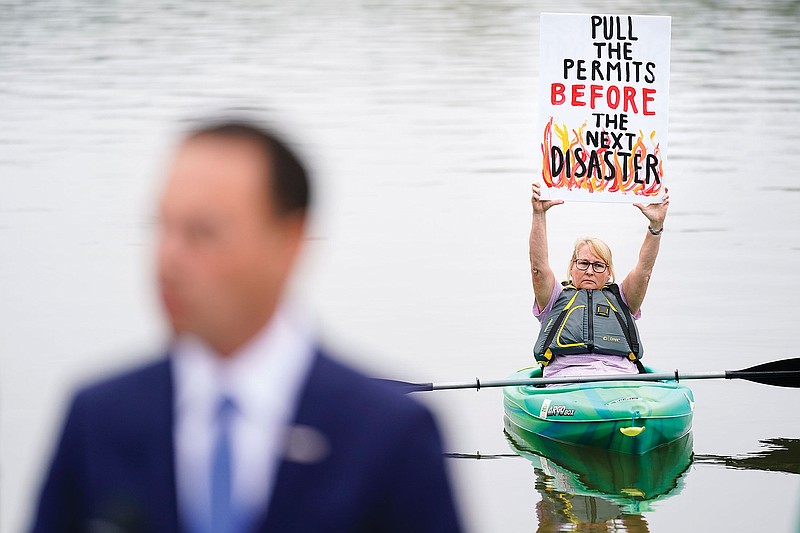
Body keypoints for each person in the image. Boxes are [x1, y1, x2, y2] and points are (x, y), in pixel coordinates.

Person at [30, 119, 463, 533]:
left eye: (202, 233)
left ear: (288, 242)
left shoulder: (390, 437)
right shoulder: (96, 419)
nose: (168, 261)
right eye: (163, 227)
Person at [528, 182, 669, 378]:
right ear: (571, 267)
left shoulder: (623, 297)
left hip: (620, 377)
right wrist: (539, 215)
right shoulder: (554, 298)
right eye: (583, 263)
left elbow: (644, 270)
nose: (590, 271)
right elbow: (538, 268)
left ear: (608, 273)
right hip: (565, 379)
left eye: (598, 265)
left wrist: (656, 226)